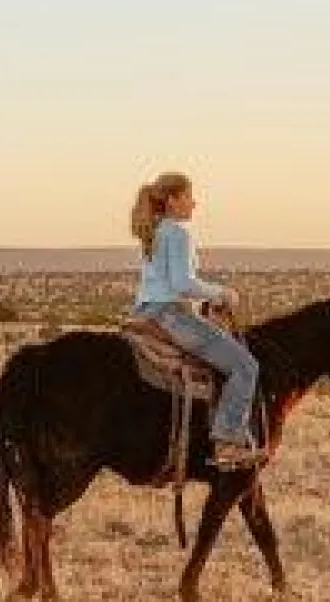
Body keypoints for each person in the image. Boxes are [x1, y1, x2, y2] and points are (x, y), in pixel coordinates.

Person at [128, 172, 263, 470]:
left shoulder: (156, 229)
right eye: (189, 196)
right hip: (171, 314)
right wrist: (222, 293)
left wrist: (205, 300)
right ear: (173, 200)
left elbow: (167, 281)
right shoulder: (177, 232)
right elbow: (181, 283)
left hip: (147, 311)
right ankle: (228, 440)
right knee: (245, 366)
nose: (194, 203)